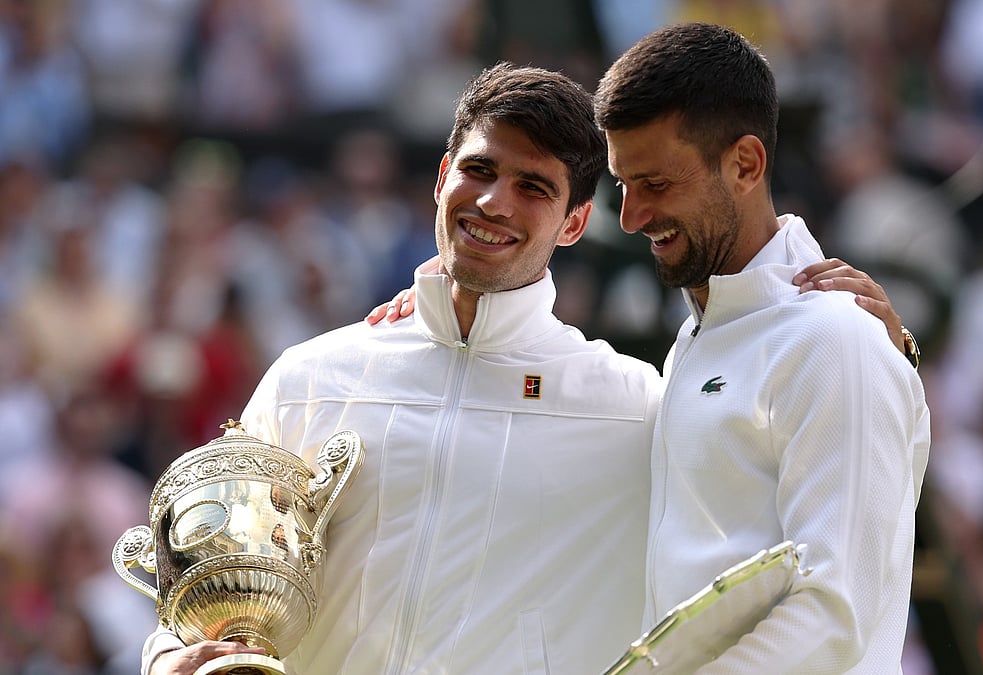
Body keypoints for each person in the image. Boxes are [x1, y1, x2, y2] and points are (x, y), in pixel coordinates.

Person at [142, 62, 663, 675]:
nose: (494, 202)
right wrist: (170, 654)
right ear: (442, 178)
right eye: (480, 170)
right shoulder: (310, 376)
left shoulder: (635, 406)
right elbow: (207, 576)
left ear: (573, 222)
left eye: (533, 187)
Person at [594, 22, 930, 671]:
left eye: (655, 184)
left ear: (746, 164)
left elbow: (834, 612)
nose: (631, 216)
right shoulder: (695, 338)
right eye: (622, 185)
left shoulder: (836, 337)